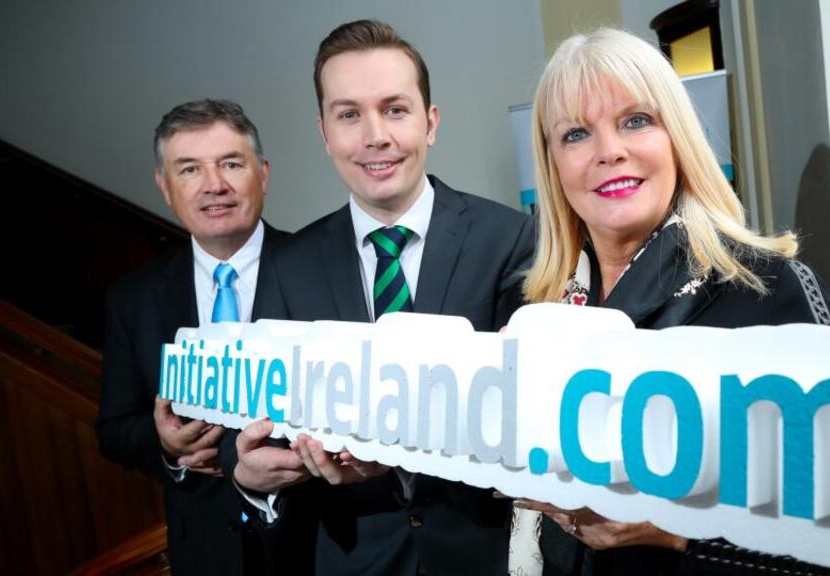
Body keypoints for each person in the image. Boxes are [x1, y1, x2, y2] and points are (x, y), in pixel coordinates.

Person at [513, 28, 830, 576]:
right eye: (576, 133)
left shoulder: (770, 290)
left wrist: (672, 533)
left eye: (635, 121)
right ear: (552, 165)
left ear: (678, 137)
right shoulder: (542, 315)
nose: (609, 151)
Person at [227, 19, 535, 576]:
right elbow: (272, 433)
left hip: (484, 557)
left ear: (430, 122)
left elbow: (529, 422)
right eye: (349, 115)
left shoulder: (511, 239)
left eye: (394, 109)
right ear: (325, 133)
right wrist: (254, 480)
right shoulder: (288, 267)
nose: (375, 136)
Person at [96, 99, 287, 576]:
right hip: (203, 551)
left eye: (231, 163)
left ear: (263, 175)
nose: (213, 184)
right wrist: (167, 448)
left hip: (315, 546)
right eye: (189, 169)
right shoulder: (133, 298)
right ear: (165, 186)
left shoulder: (320, 267)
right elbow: (115, 429)